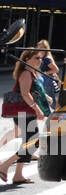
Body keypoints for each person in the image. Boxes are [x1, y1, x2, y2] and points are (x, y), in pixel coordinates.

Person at [1, 46, 49, 185]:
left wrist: (46, 97)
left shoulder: (32, 72)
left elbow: (33, 90)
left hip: (27, 112)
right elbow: (25, 93)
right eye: (37, 58)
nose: (40, 60)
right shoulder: (26, 73)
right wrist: (38, 109)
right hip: (25, 112)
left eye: (41, 58)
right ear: (27, 59)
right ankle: (5, 166)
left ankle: (18, 175)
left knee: (28, 143)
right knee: (33, 143)